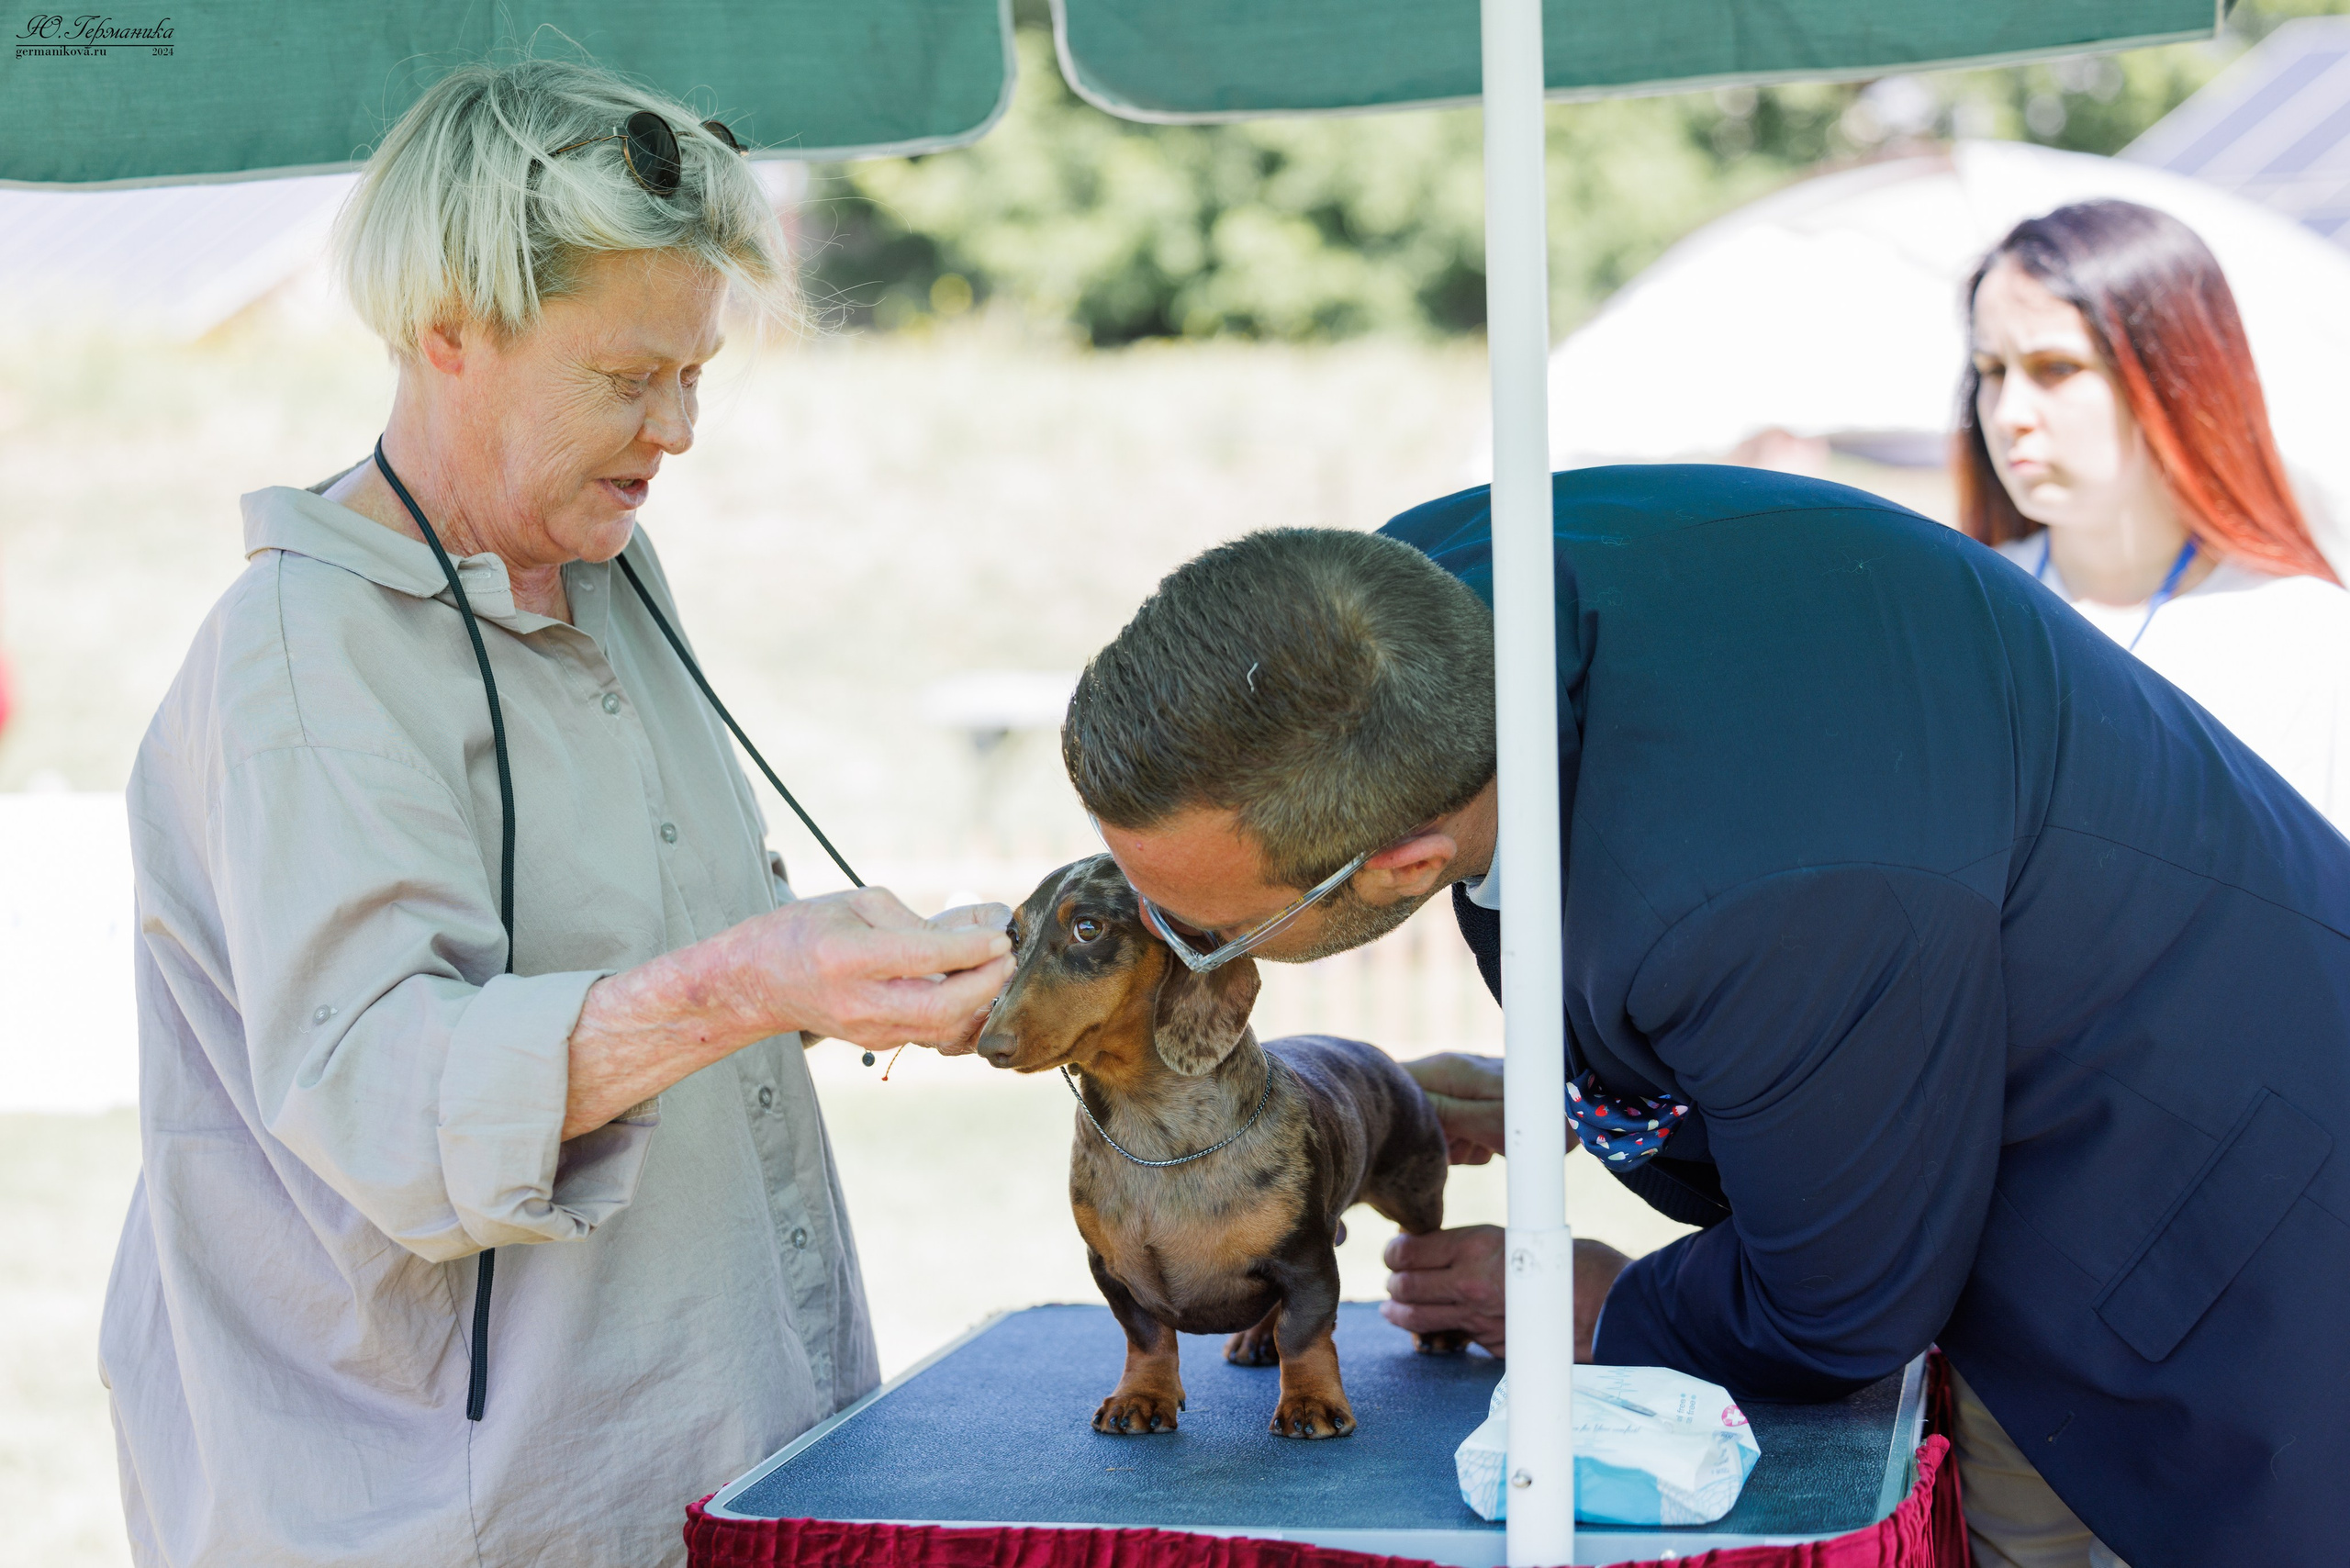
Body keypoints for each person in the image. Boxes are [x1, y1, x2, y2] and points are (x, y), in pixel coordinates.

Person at [1054, 474, 2349, 1568]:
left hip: (2224, 1259)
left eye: (1211, 927)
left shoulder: (1764, 893)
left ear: (1401, 858)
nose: (1180, 952)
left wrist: (1607, 1310)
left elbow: (1841, 1303)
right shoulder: (1405, 609)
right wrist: (1575, 1089)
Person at [102, 58, 1013, 1568]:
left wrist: (865, 976)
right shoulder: (303, 656)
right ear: (448, 329)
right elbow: (391, 1098)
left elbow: (658, 946)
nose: (678, 430)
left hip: (702, 1470)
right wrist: (754, 976)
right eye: (626, 377)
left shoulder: (601, 565)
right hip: (450, 1524)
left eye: (697, 373)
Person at [1962, 198, 2350, 831]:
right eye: (1991, 371)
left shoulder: (2312, 638)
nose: (2009, 413)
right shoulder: (1955, 616)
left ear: (2172, 372)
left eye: (2056, 368)